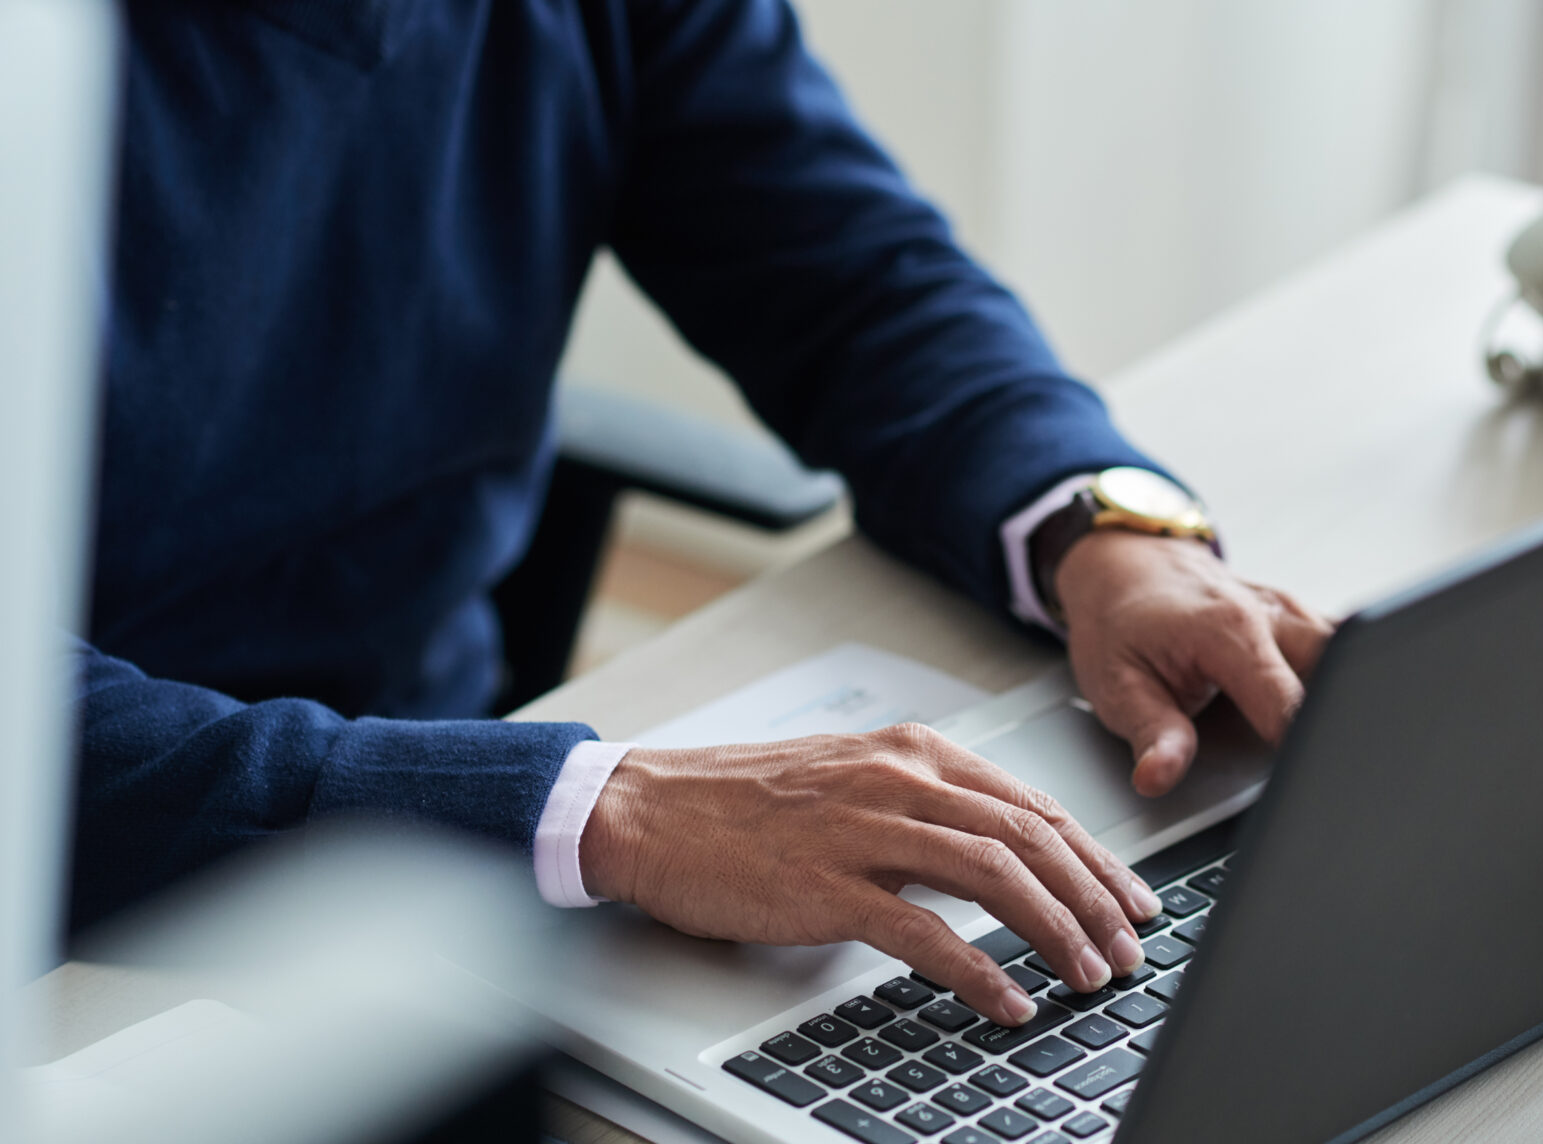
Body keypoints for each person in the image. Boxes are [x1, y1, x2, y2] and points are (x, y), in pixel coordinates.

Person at [78, 0, 1333, 1025]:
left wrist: (1097, 529)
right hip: (102, 891)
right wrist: (594, 810)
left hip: (439, 800)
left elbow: (855, 279)